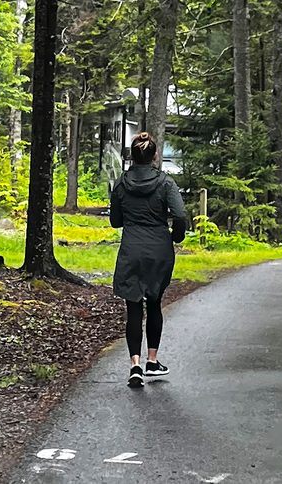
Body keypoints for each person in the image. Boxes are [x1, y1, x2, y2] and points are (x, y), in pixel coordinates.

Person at [110, 131, 188, 388]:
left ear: (132, 156)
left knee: (133, 307)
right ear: (155, 155)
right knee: (154, 303)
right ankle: (152, 361)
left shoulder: (121, 183)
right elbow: (179, 214)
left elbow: (115, 221)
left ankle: (135, 366)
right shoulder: (166, 183)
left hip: (132, 248)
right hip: (158, 249)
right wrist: (176, 236)